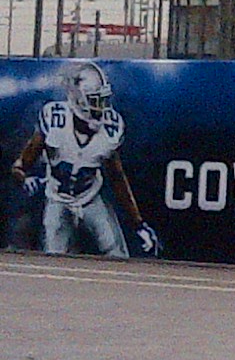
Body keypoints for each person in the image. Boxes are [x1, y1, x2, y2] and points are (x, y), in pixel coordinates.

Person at [9, 61, 158, 260]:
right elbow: (20, 166)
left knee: (117, 254)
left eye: (103, 100)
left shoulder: (110, 129)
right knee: (52, 258)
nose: (102, 108)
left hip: (90, 199)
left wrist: (139, 224)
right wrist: (24, 179)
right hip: (57, 200)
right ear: (78, 100)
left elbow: (117, 178)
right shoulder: (55, 121)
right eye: (96, 101)